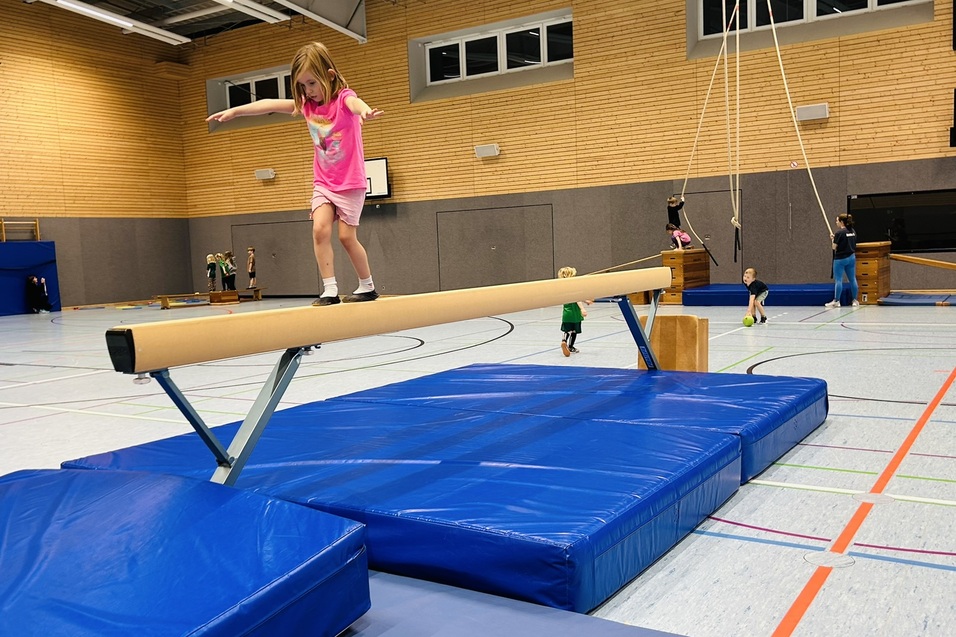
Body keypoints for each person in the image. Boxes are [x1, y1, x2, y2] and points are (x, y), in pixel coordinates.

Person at [205, 42, 384, 306]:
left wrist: (366, 111)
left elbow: (356, 103)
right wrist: (236, 111)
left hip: (349, 182)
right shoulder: (306, 106)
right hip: (323, 182)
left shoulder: (343, 99)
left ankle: (367, 287)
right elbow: (269, 105)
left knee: (347, 237)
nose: (307, 91)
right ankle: (330, 290)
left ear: (330, 76)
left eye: (312, 83)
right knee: (320, 230)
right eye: (302, 85)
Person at [825, 213, 859, 308]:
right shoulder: (853, 231)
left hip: (840, 259)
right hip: (851, 257)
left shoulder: (839, 233)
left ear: (841, 222)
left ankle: (837, 301)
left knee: (839, 280)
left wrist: (833, 240)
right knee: (852, 279)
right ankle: (855, 300)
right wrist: (835, 238)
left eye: (837, 221)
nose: (836, 222)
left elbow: (834, 247)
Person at [557, 266, 591, 356]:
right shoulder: (573, 287)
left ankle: (564, 340)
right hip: (574, 313)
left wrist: (586, 301)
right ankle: (571, 347)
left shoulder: (562, 287)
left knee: (567, 330)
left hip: (566, 313)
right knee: (574, 331)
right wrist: (582, 308)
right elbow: (577, 299)